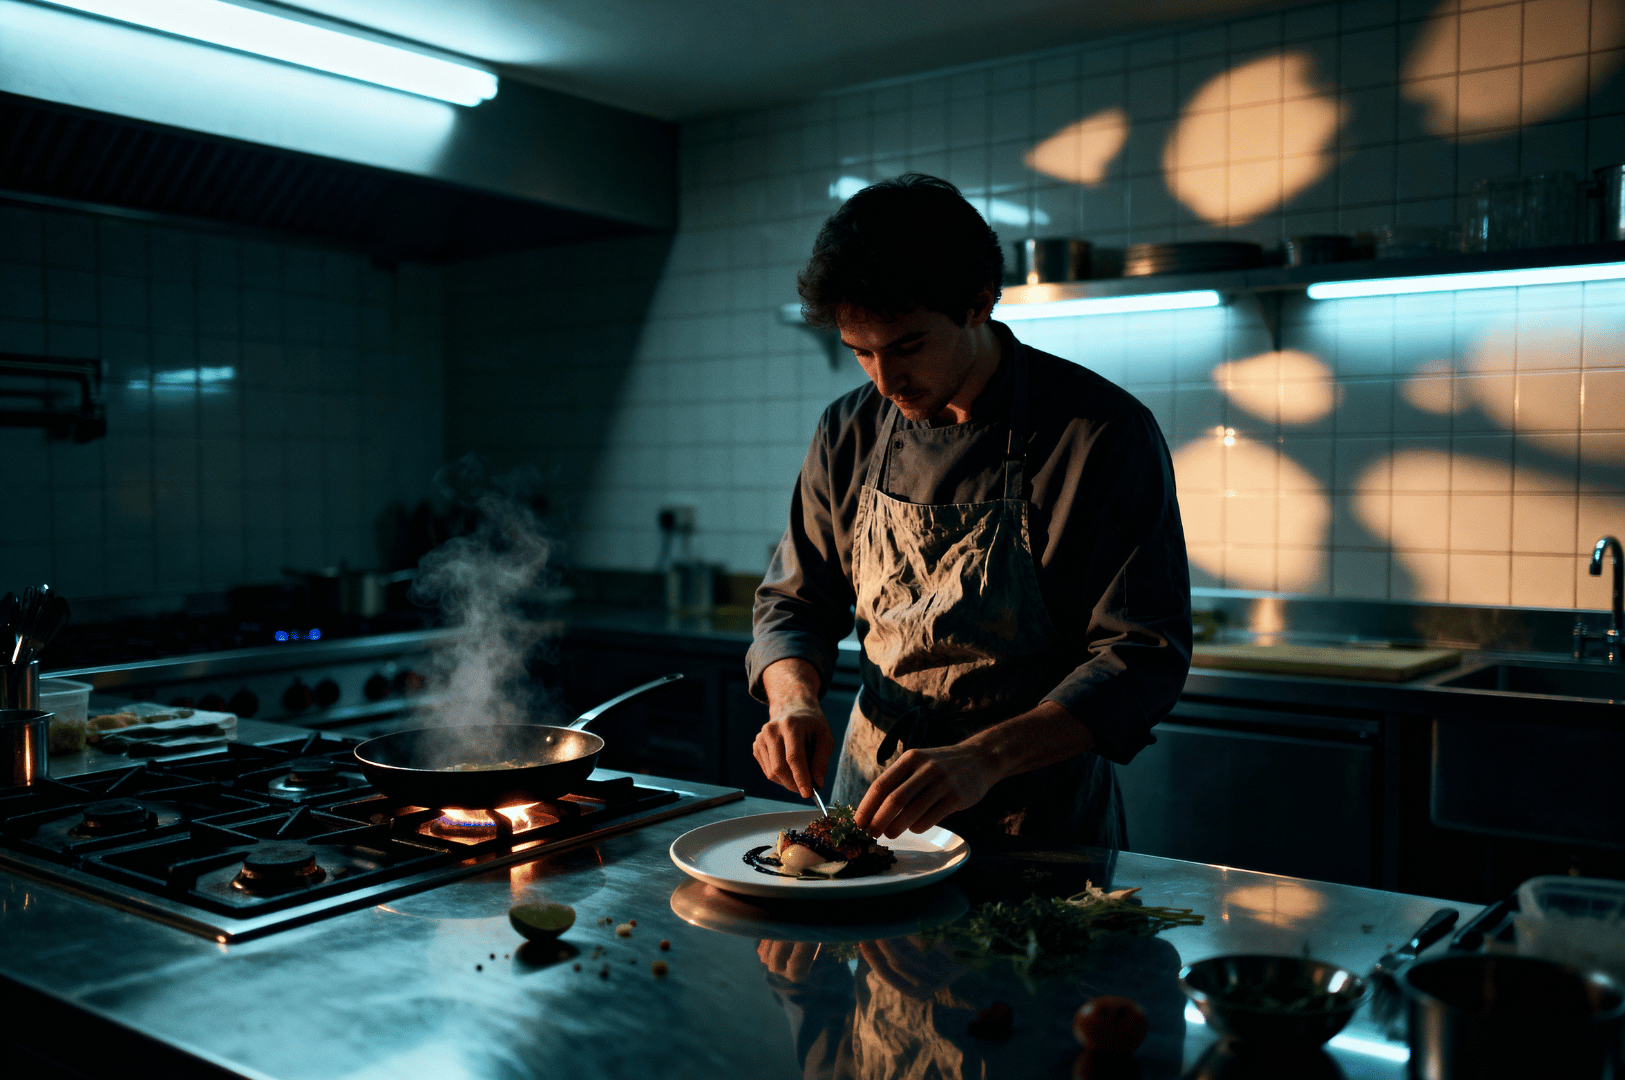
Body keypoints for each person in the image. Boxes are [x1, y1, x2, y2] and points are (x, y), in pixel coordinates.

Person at [747, 174, 1191, 850]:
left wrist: (984, 758)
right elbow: (794, 605)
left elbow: (1141, 654)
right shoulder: (848, 431)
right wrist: (793, 701)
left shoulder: (1098, 432)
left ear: (978, 304)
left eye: (905, 347)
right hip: (870, 808)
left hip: (1035, 819)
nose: (883, 382)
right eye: (859, 352)